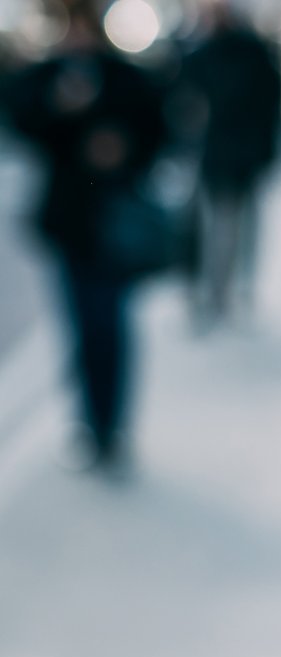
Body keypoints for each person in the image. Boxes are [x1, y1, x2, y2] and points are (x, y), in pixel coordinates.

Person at [2, 0, 167, 476]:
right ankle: (90, 424)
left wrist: (122, 148)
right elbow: (23, 121)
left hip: (116, 222)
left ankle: (111, 426)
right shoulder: (47, 75)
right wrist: (60, 107)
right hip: (70, 222)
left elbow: (156, 130)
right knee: (79, 323)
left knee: (110, 324)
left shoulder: (127, 77)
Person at [176, 0, 281, 329]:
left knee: (227, 225)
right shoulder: (206, 50)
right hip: (222, 155)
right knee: (223, 225)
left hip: (231, 155)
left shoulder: (242, 54)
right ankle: (219, 291)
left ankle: (221, 293)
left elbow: (268, 107)